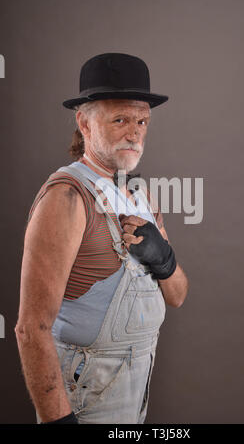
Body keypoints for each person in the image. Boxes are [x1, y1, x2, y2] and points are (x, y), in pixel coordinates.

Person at [15, 53, 189, 424]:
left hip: (135, 397)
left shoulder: (142, 195)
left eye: (142, 120)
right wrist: (59, 420)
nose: (135, 132)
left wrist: (164, 259)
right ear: (85, 123)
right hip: (84, 401)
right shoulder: (67, 197)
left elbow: (177, 295)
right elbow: (31, 329)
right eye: (120, 119)